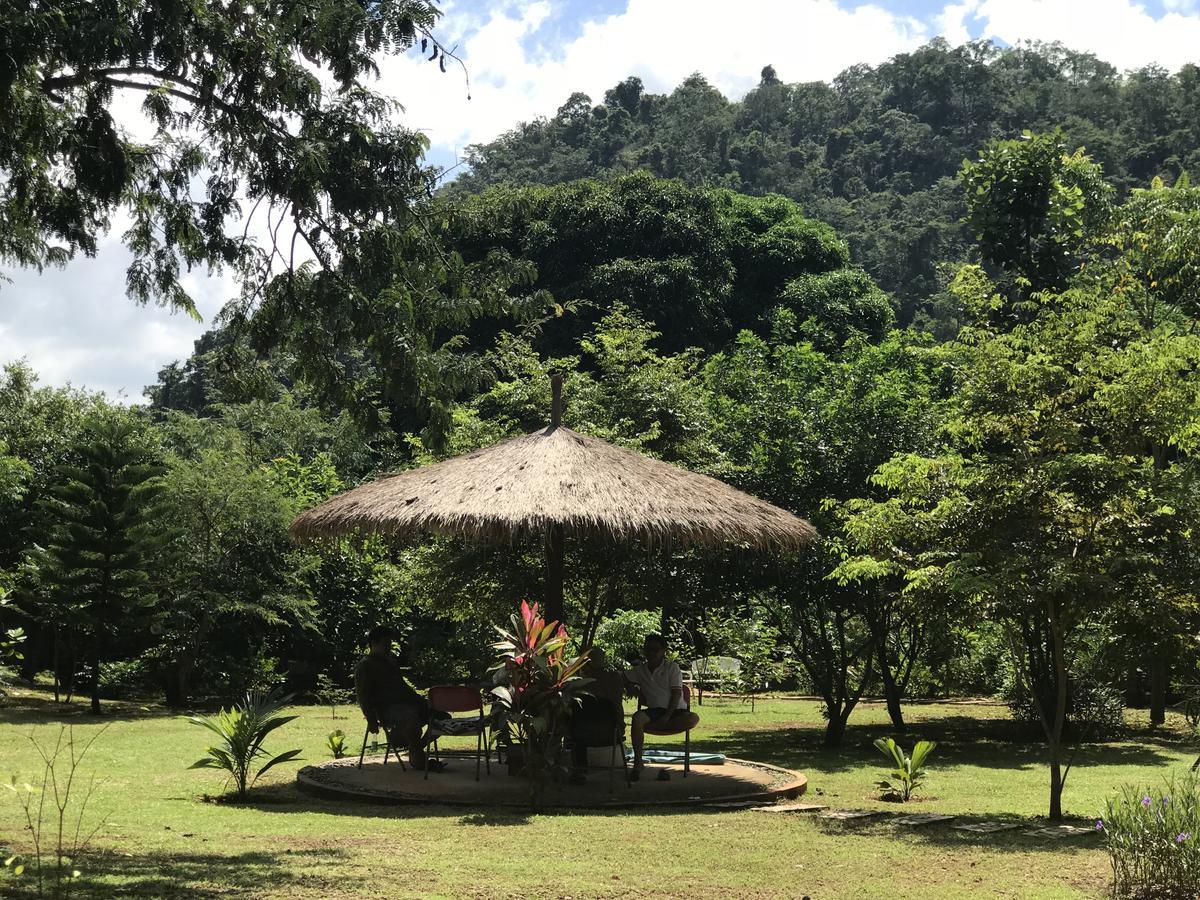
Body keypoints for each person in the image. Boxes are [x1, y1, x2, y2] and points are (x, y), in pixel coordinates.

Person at [354, 625, 444, 772]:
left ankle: (415, 747)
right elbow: (363, 696)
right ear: (374, 643)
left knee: (442, 717)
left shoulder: (390, 662)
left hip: (407, 704)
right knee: (411, 719)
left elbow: (403, 687)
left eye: (389, 644)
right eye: (385, 644)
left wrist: (422, 701)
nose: (388, 647)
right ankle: (417, 756)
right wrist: (371, 720)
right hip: (386, 709)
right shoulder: (365, 666)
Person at [624, 633, 687, 780]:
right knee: (637, 718)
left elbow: (676, 694)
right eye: (648, 649)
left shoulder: (672, 668)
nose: (651, 653)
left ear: (663, 651)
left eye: (655, 649)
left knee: (693, 719)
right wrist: (631, 687)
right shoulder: (640, 670)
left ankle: (667, 723)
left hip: (677, 711)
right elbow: (621, 677)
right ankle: (638, 763)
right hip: (654, 711)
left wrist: (667, 716)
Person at [568, 648, 625, 783]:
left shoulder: (579, 685)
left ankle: (579, 770)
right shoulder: (615, 679)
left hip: (582, 735)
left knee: (574, 723)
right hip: (612, 732)